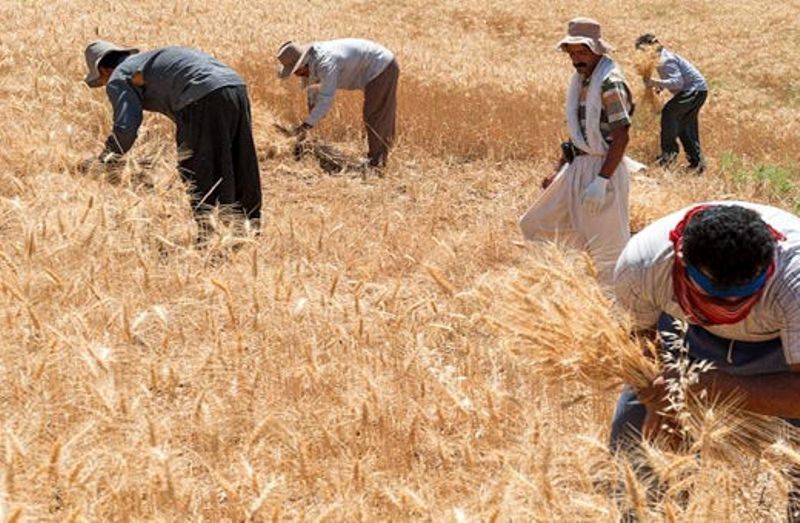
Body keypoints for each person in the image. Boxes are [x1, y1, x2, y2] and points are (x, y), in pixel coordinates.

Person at [611, 202, 800, 519]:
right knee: (637, 440)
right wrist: (659, 398)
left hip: (780, 347)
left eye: (745, 294)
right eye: (714, 295)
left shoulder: (794, 280)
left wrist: (708, 385)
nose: (730, 307)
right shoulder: (643, 265)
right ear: (682, 263)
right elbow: (638, 344)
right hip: (683, 334)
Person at [82, 41, 262, 235]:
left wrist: (107, 159)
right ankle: (247, 232)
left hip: (201, 95)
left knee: (199, 168)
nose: (106, 85)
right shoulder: (145, 62)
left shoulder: (120, 76)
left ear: (104, 70)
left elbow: (126, 128)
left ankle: (210, 237)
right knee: (240, 159)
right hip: (235, 86)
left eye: (102, 80)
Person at [518, 17, 644, 284]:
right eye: (572, 53)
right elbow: (579, 134)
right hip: (579, 166)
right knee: (535, 222)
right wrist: (558, 168)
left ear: (597, 50)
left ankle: (615, 310)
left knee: (607, 249)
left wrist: (601, 181)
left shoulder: (610, 83)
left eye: (582, 52)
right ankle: (580, 282)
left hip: (602, 168)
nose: (576, 59)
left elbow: (621, 135)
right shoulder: (583, 82)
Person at [276, 38, 399, 168]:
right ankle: (376, 157)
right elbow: (313, 91)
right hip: (371, 68)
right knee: (375, 114)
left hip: (382, 67)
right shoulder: (312, 61)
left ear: (301, 65)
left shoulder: (326, 62)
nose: (296, 75)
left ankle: (377, 164)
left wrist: (306, 126)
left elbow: (326, 98)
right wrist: (309, 121)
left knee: (375, 115)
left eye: (295, 71)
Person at [635, 33, 708, 173]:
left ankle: (668, 157)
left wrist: (654, 82)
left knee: (669, 113)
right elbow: (675, 79)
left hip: (692, 90)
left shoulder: (665, 60)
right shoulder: (662, 58)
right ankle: (697, 164)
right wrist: (661, 86)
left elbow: (677, 82)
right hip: (699, 90)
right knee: (685, 126)